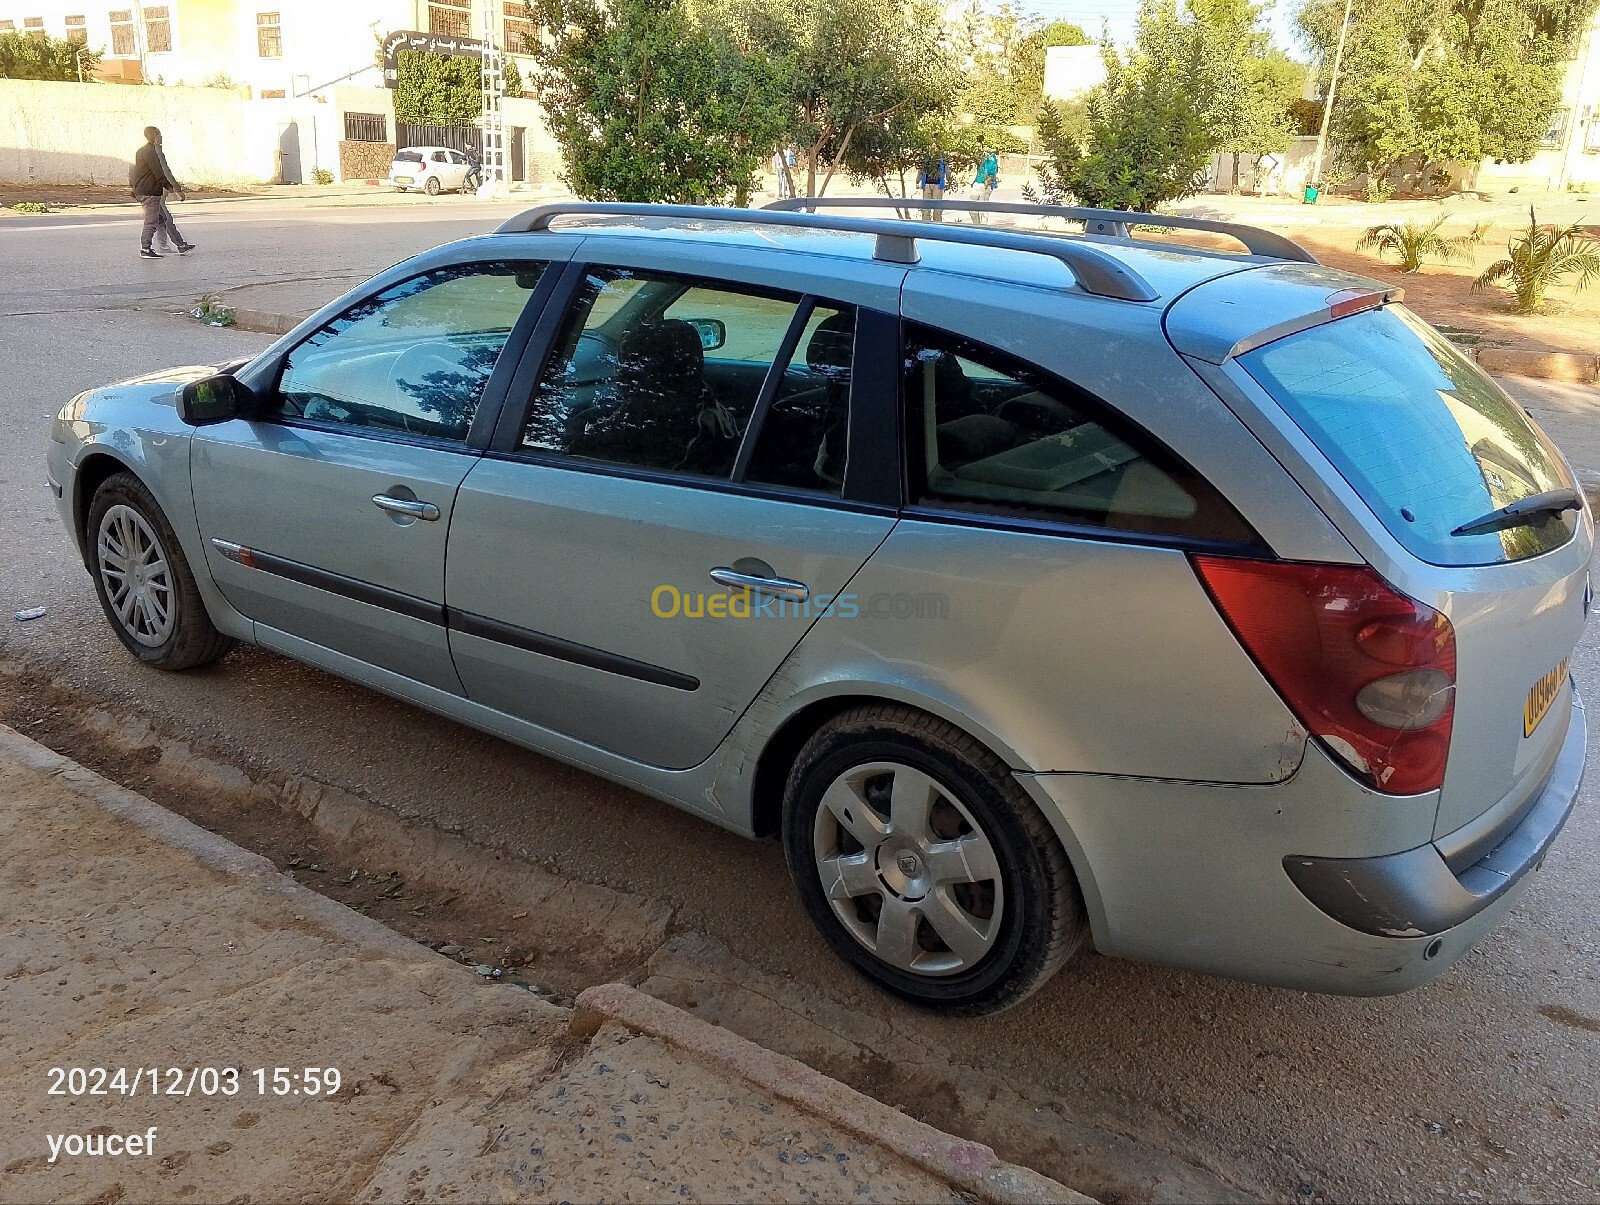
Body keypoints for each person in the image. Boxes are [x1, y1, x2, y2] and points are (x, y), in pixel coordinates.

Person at [130, 126, 193, 259]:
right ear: (152, 135)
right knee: (151, 221)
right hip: (150, 192)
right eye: (159, 134)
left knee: (162, 218)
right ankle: (145, 249)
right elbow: (159, 172)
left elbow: (138, 172)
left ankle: (178, 245)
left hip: (144, 190)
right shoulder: (151, 152)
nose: (161, 137)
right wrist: (171, 188)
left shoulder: (143, 151)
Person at [970, 150, 999, 224]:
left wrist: (987, 182)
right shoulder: (981, 157)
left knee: (983, 210)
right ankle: (976, 226)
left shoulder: (991, 157)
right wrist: (974, 181)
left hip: (984, 185)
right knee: (972, 208)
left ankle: (983, 228)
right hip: (978, 183)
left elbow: (993, 172)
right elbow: (980, 171)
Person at [917, 154, 947, 221]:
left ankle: (937, 226)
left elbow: (947, 169)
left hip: (938, 185)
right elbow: (921, 170)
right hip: (927, 184)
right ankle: (925, 226)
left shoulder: (942, 159)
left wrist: (949, 179)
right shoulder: (926, 158)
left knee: (937, 208)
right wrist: (918, 180)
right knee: (926, 209)